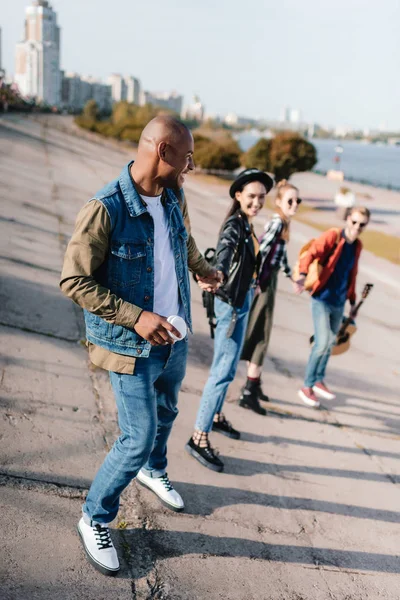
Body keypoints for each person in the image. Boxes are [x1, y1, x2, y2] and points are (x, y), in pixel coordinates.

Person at [60, 116, 222, 576]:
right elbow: (74, 280)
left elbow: (181, 239)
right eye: (187, 157)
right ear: (163, 153)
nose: (191, 166)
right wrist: (137, 316)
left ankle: (154, 471)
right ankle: (95, 516)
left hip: (174, 337)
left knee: (168, 411)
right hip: (131, 345)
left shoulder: (173, 194)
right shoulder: (105, 208)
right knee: (137, 438)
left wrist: (201, 270)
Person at [185, 168, 274, 472]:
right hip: (231, 305)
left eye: (262, 197)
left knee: (230, 364)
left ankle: (217, 415)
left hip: (242, 299)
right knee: (222, 370)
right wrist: (217, 273)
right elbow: (225, 252)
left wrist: (254, 281)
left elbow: (247, 260)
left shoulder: (247, 223)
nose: (257, 202)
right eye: (252, 196)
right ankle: (199, 436)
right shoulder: (235, 225)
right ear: (238, 195)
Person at [294, 206, 370, 408]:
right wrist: (301, 275)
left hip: (339, 302)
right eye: (354, 222)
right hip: (321, 298)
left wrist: (353, 302)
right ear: (347, 220)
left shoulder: (357, 246)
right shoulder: (333, 236)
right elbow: (311, 253)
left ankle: (318, 379)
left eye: (362, 224)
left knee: (331, 343)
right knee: (322, 342)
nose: (357, 227)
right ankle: (307, 386)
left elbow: (351, 274)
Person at [239, 180, 301, 413]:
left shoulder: (283, 223)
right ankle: (249, 390)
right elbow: (261, 250)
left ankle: (254, 384)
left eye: (298, 201)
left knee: (262, 331)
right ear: (279, 202)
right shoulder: (277, 222)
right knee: (260, 334)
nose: (295, 204)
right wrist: (256, 280)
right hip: (263, 284)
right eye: (290, 201)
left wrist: (291, 276)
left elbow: (279, 257)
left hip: (269, 280)